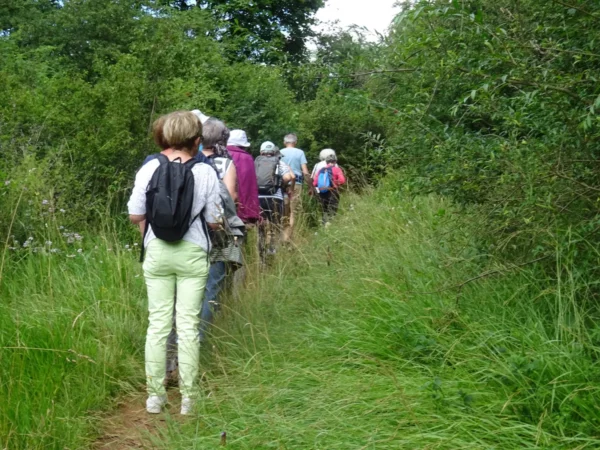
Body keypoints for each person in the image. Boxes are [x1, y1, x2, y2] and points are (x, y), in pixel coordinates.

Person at [128, 111, 222, 415]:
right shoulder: (205, 171)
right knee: (188, 326)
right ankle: (188, 399)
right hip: (192, 252)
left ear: (164, 135)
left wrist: (155, 228)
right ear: (196, 140)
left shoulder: (150, 166)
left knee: (157, 324)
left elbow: (135, 214)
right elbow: (214, 219)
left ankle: (155, 396)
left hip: (157, 252)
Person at [198, 119, 244, 339]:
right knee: (212, 288)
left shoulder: (190, 161)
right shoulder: (225, 164)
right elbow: (231, 196)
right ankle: (203, 339)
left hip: (190, 233)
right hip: (217, 233)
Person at [256, 141, 295, 256]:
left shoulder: (256, 162)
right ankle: (272, 250)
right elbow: (289, 177)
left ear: (261, 152)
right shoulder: (279, 162)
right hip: (275, 197)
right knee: (275, 224)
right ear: (274, 152)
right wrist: (280, 184)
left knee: (261, 225)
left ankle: (260, 250)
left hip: (258, 197)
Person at [280, 133, 312, 242]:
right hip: (297, 183)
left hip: (282, 184)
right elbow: (305, 171)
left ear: (284, 142)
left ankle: (282, 236)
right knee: (293, 212)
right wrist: (310, 186)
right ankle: (287, 239)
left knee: (283, 210)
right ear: (295, 142)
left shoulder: (280, 152)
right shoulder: (300, 152)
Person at [226, 130, 260, 225]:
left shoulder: (220, 153)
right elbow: (251, 186)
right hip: (242, 209)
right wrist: (251, 212)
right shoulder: (247, 158)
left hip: (221, 205)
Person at [312, 149, 346, 225]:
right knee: (333, 208)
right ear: (335, 161)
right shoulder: (337, 169)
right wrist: (335, 184)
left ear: (326, 162)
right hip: (332, 191)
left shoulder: (321, 170)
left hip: (322, 192)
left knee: (324, 209)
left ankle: (324, 223)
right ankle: (331, 224)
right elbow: (342, 180)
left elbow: (315, 183)